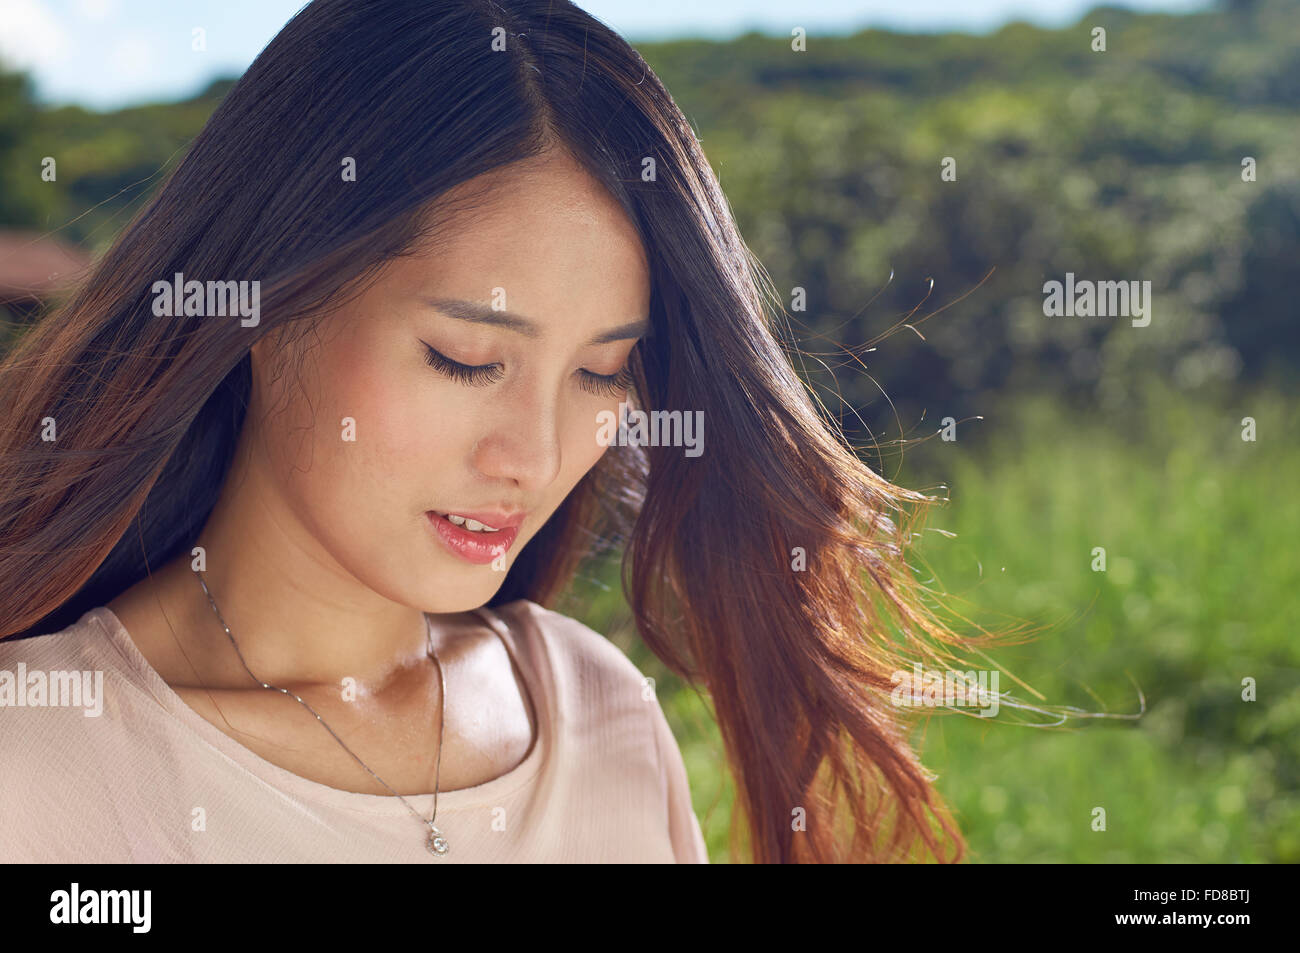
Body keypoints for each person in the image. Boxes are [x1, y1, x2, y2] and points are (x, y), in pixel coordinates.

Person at [0, 0, 969, 863]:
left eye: (600, 371)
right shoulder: (35, 761)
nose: (535, 456)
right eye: (466, 356)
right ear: (267, 306)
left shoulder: (598, 711)